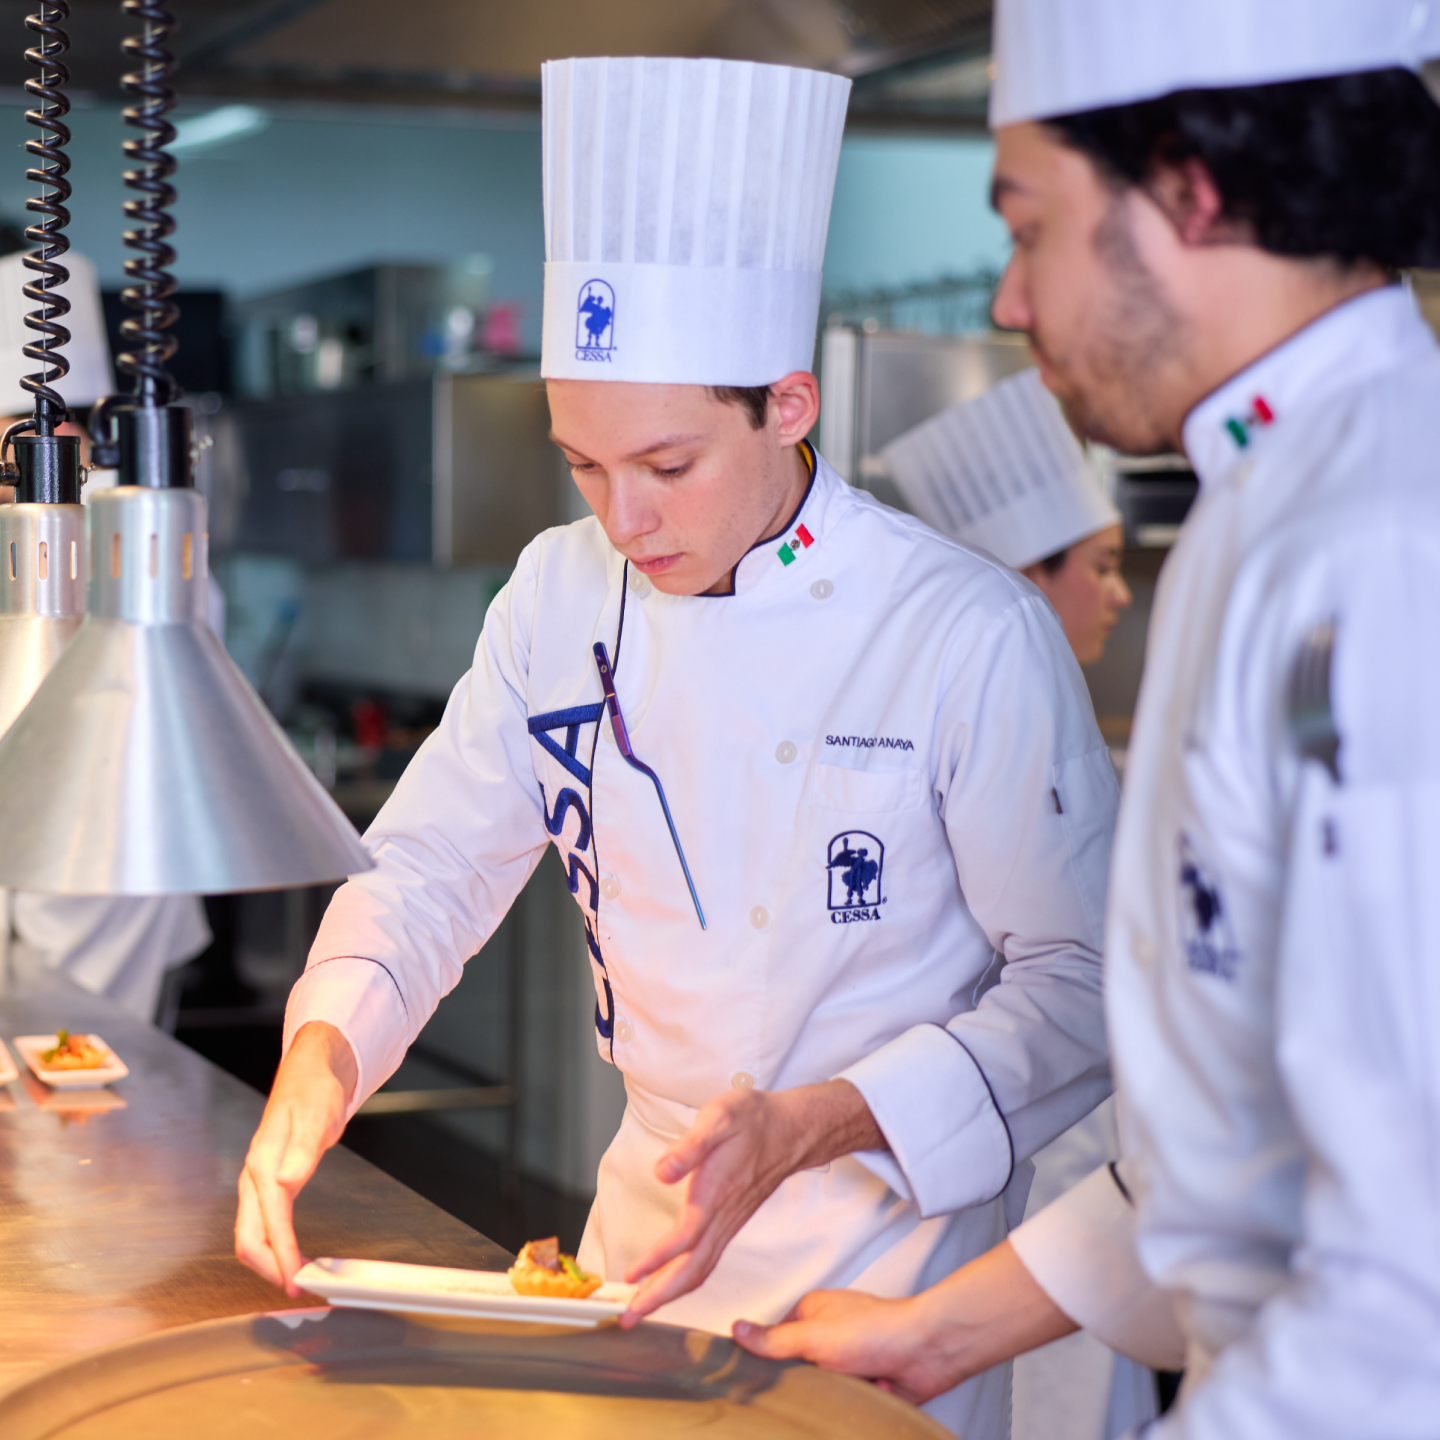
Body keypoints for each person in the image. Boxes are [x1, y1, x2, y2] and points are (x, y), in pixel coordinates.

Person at [234, 54, 1120, 1438]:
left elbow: (1082, 984)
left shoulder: (964, 631)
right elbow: (431, 868)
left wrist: (816, 1121)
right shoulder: (555, 591)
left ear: (787, 405)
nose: (624, 522)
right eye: (582, 466)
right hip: (632, 1258)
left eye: (666, 467)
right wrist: (325, 1055)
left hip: (883, 1274)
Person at [735, 3, 1440, 1437]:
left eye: (1029, 227)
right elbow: (1236, 1151)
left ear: (1190, 186)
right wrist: (932, 1335)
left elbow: (1397, 1292)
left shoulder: (1380, 546)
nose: (1009, 301)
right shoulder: (1272, 501)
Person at [887, 366, 1149, 1439]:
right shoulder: (962, 735)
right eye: (1103, 566)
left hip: (1106, 1183)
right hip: (1008, 1162)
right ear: (1025, 583)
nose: (1120, 594)